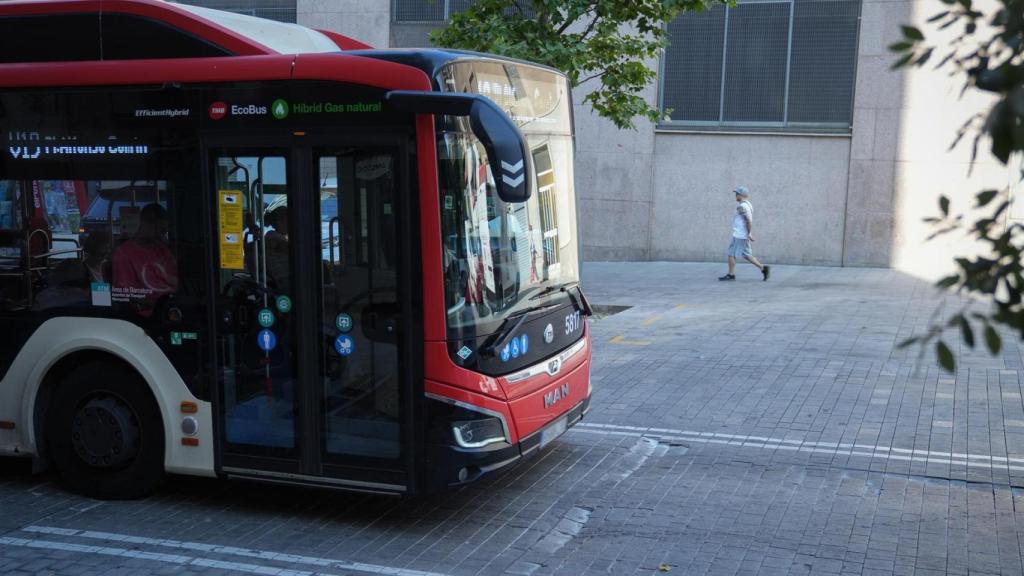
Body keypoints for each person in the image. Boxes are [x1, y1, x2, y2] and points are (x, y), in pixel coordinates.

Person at [112, 203, 177, 312]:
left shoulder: (162, 249)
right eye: (161, 229)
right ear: (146, 224)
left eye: (165, 231)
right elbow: (125, 295)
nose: (163, 234)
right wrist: (155, 304)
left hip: (168, 306)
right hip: (146, 313)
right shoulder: (124, 254)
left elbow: (175, 281)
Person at [719, 186, 770, 281]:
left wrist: (749, 233)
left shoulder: (742, 207)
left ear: (741, 195)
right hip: (743, 235)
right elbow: (748, 220)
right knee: (747, 255)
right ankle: (763, 268)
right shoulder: (748, 204)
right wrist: (748, 233)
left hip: (740, 235)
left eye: (737, 194)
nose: (735, 195)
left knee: (731, 254)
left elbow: (748, 221)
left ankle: (731, 274)